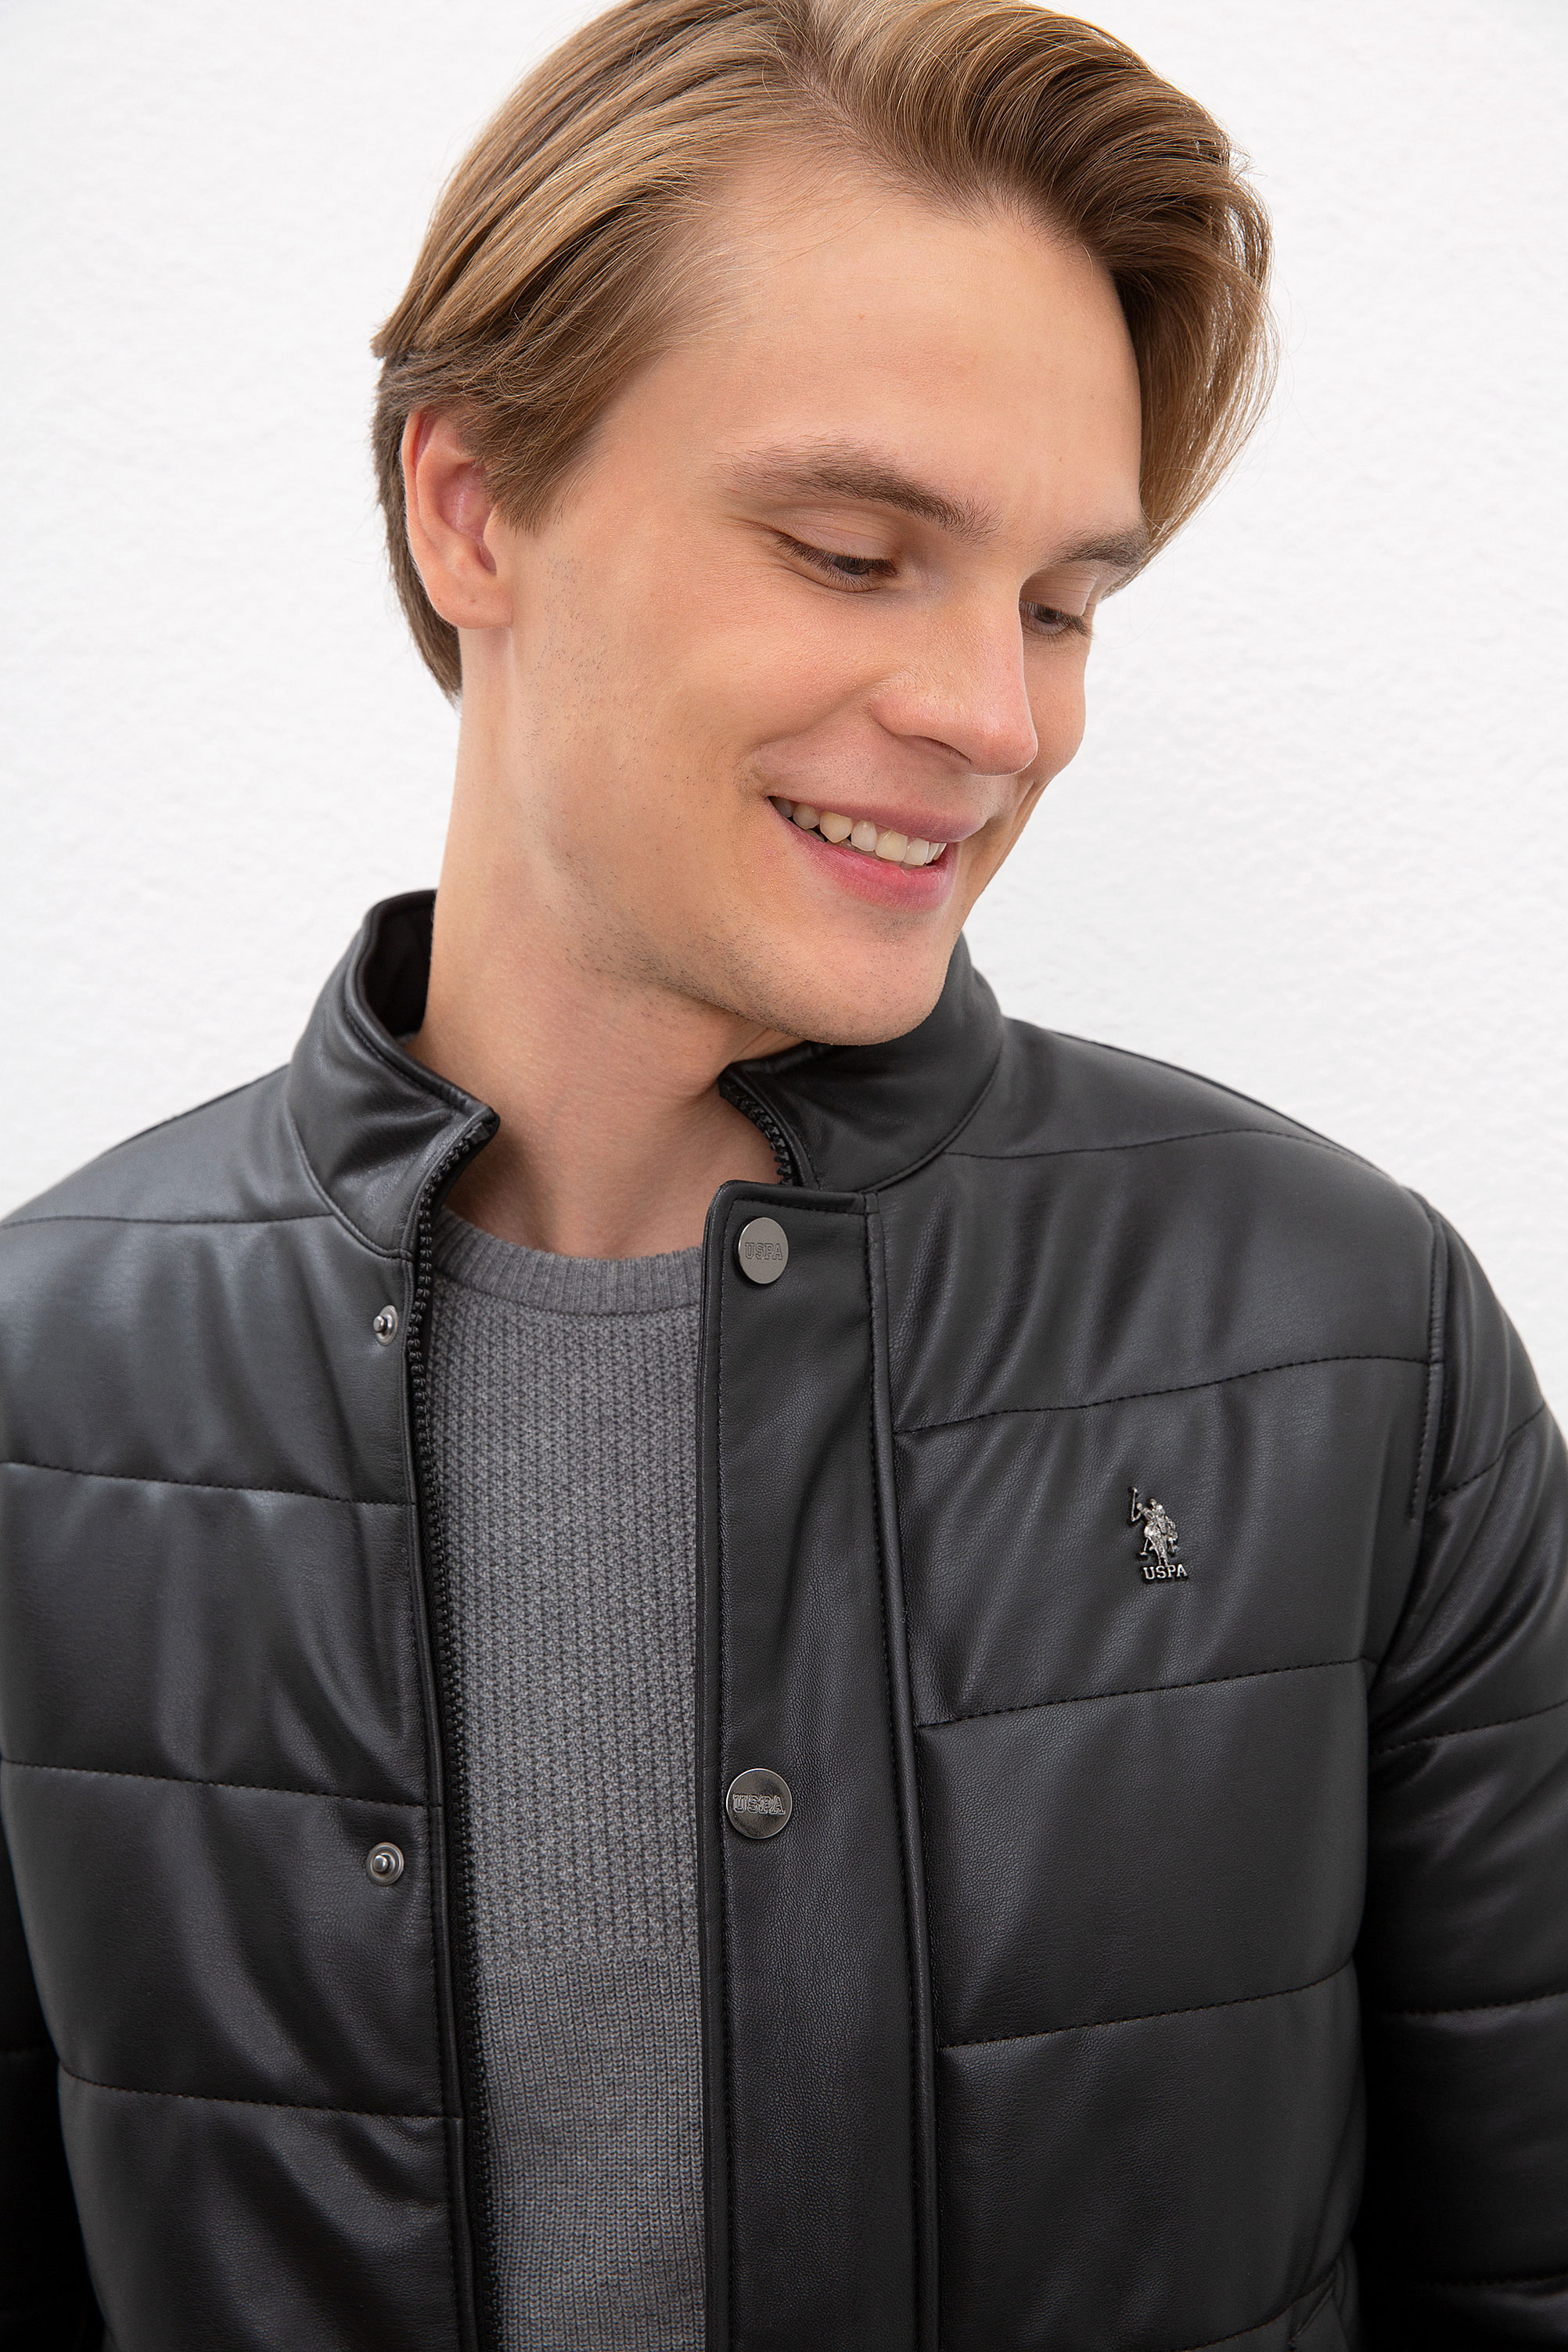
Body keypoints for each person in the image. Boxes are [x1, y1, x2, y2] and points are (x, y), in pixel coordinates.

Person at [1, 0, 1563, 2343]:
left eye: (1060, 606)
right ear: (471, 507)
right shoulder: (41, 1393)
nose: (997, 717)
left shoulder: (1352, 1344)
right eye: (852, 554)